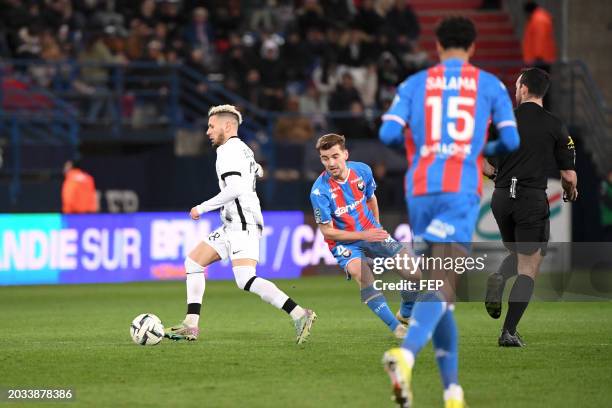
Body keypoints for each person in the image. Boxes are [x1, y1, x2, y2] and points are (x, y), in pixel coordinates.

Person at [378, 17, 520, 408]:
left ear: (437, 47)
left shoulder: (413, 84)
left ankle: (452, 392)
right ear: (473, 48)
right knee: (444, 283)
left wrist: (425, 143)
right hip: (459, 187)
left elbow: (388, 134)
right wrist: (472, 142)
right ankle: (405, 355)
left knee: (440, 288)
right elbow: (510, 139)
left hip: (420, 188)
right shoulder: (489, 85)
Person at [166, 105, 317, 344]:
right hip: (232, 223)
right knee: (193, 262)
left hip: (242, 222)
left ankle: (300, 314)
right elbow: (257, 170)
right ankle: (190, 325)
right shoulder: (244, 149)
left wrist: (202, 208)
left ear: (227, 126)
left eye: (211, 126)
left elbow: (235, 188)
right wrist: (254, 171)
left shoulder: (227, 151)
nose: (207, 132)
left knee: (245, 279)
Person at [483, 68, 578, 347]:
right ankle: (508, 332)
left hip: (501, 198)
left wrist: (494, 175)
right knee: (530, 265)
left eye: (516, 86)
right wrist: (571, 191)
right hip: (531, 198)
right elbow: (569, 176)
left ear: (524, 88)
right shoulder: (555, 125)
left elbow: (478, 156)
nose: (515, 91)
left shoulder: (501, 120)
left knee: (517, 251)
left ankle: (499, 276)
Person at [309, 133, 420, 339]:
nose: (330, 163)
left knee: (414, 275)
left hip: (370, 231)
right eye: (325, 158)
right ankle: (396, 327)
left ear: (345, 154)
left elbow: (371, 198)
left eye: (335, 156)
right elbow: (327, 231)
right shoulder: (319, 192)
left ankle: (405, 313)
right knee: (362, 274)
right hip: (346, 243)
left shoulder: (362, 171)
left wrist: (376, 227)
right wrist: (363, 235)